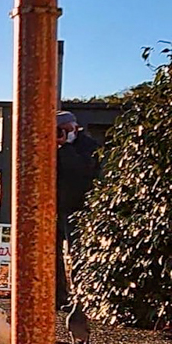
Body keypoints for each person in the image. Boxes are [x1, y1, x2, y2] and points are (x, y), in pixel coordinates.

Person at [55, 110, 100, 309]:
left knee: (77, 254)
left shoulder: (88, 146)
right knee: (50, 255)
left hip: (78, 207)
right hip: (53, 208)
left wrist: (65, 148)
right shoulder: (50, 146)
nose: (60, 134)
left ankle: (80, 299)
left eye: (63, 130)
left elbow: (82, 171)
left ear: (74, 127)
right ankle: (57, 296)